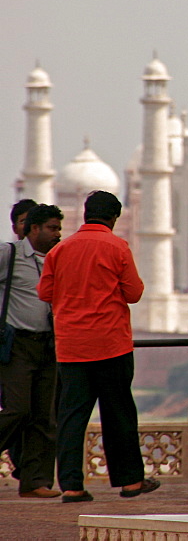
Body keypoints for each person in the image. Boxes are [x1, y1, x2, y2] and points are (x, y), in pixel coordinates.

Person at [36, 190, 159, 503]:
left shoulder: (60, 251)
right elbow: (133, 293)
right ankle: (130, 481)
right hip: (111, 344)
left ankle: (72, 486)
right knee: (118, 413)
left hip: (71, 347)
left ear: (85, 214)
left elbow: (45, 292)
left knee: (71, 417)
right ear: (114, 218)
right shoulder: (116, 246)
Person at [0, 204, 62, 498]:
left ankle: (36, 481)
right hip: (18, 345)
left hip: (49, 344)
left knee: (43, 415)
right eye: (51, 228)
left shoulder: (57, 259)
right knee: (17, 409)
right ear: (33, 229)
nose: (57, 234)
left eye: (58, 228)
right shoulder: (9, 255)